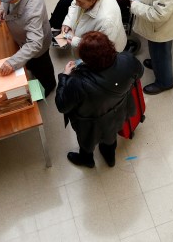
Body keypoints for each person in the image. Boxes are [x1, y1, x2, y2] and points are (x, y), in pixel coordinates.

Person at [55, 31, 144, 168]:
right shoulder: (127, 60)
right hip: (117, 111)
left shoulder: (78, 82)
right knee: (110, 136)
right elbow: (139, 73)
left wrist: (64, 77)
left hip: (89, 122)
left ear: (86, 59)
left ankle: (87, 159)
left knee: (86, 142)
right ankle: (110, 157)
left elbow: (62, 105)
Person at [0, 0, 57, 96]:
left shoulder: (33, 10)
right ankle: (31, 66)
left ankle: (47, 87)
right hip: (23, 39)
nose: (7, 1)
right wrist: (2, 7)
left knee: (42, 68)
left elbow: (34, 44)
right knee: (31, 63)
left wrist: (12, 63)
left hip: (37, 44)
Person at [58, 0, 127, 53]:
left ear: (93, 0)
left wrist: (76, 41)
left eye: (80, 2)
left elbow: (101, 47)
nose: (76, 4)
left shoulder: (107, 22)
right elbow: (74, 4)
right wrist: (68, 22)